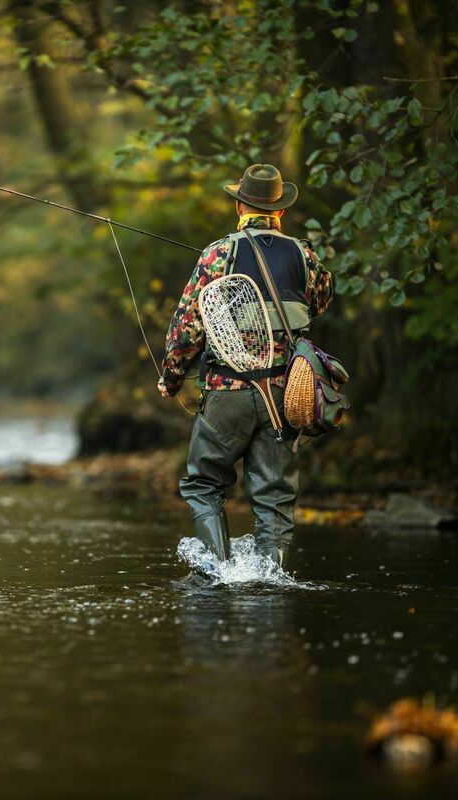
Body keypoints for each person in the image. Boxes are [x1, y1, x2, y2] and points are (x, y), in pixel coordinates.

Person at [157, 164, 334, 568]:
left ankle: (220, 574)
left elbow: (187, 329)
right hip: (284, 396)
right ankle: (271, 580)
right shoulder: (305, 255)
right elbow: (320, 302)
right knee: (274, 499)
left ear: (240, 205)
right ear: (280, 211)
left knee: (204, 484)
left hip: (228, 392)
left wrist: (171, 379)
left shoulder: (218, 253)